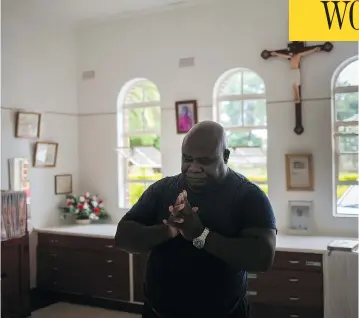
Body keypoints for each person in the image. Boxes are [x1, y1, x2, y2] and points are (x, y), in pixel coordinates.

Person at [115, 121, 277, 318]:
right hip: (158, 312)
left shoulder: (248, 196)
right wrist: (168, 230)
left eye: (204, 161)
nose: (193, 168)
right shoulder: (161, 190)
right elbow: (122, 237)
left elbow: (262, 258)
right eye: (188, 159)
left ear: (225, 157)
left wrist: (201, 235)